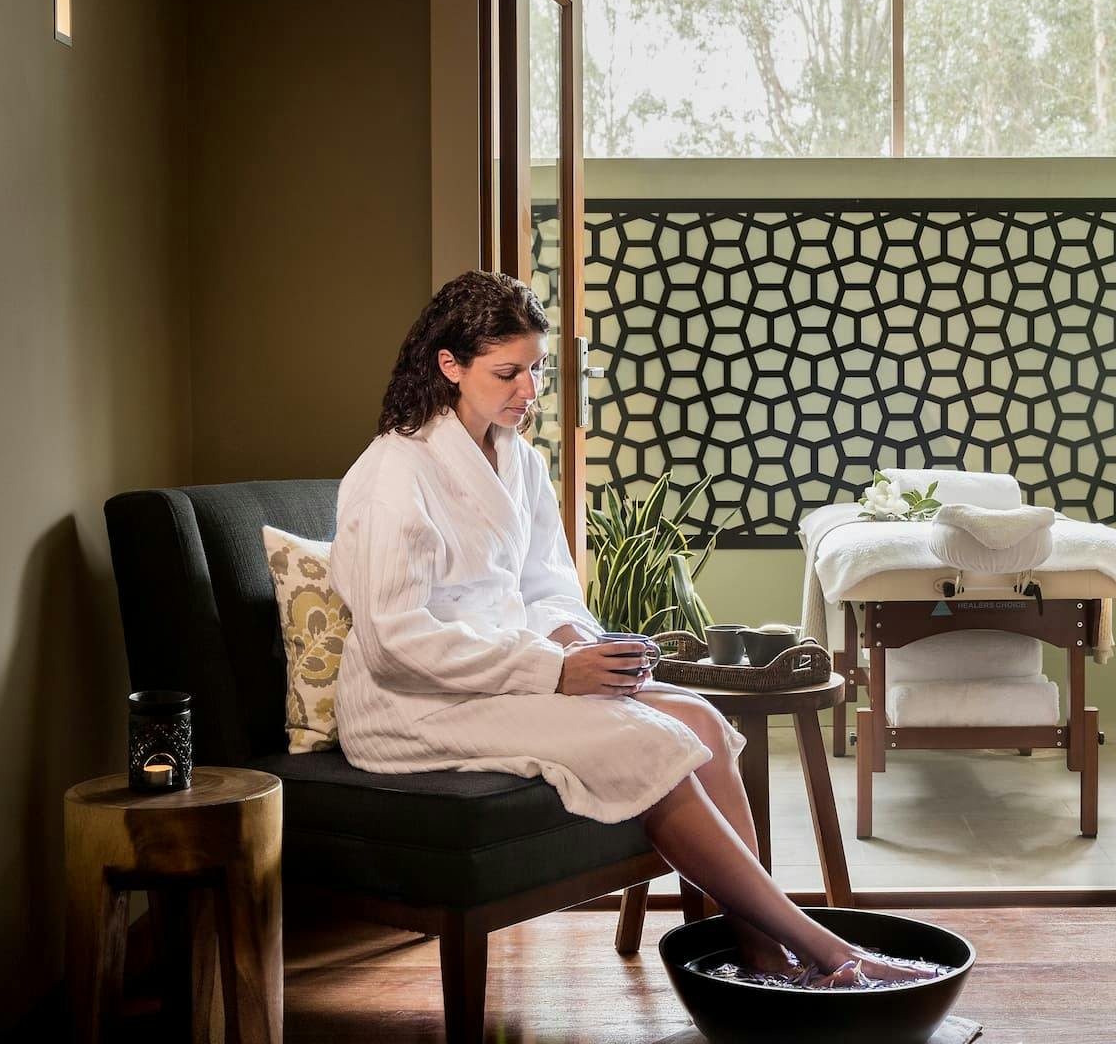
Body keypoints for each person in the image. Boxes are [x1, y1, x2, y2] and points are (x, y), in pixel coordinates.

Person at [331, 270, 937, 986]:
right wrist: (552, 674)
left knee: (704, 722)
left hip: (501, 675)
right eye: (508, 374)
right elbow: (394, 642)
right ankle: (830, 952)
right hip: (410, 705)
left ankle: (763, 958)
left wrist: (582, 648)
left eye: (535, 371)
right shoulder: (395, 470)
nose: (529, 393)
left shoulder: (517, 459)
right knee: (650, 738)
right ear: (449, 365)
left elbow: (546, 585)